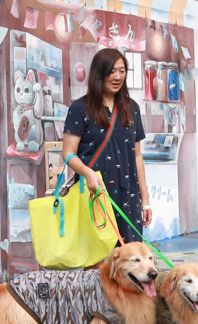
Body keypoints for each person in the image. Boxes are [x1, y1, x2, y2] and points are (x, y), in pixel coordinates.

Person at [63, 48, 152, 243]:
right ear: (99, 74)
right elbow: (68, 153)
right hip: (94, 194)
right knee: (95, 260)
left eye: (122, 71)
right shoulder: (80, 108)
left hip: (128, 196)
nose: (117, 76)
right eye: (111, 71)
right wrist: (88, 174)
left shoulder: (131, 108)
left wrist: (144, 201)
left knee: (129, 261)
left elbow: (137, 156)